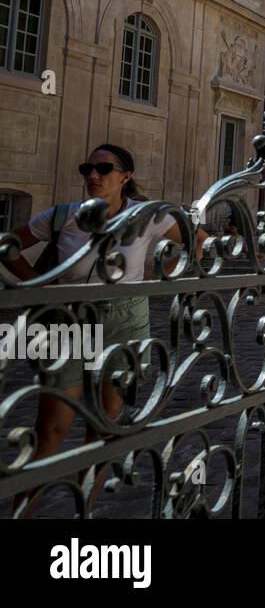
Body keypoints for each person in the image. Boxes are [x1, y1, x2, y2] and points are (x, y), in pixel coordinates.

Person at [2, 144, 203, 512]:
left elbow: (198, 243)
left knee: (105, 428)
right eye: (87, 169)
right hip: (70, 320)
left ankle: (83, 511)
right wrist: (38, 283)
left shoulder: (147, 216)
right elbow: (7, 245)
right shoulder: (63, 216)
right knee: (51, 430)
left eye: (103, 168)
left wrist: (165, 276)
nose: (93, 175)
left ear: (125, 176)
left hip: (125, 318)